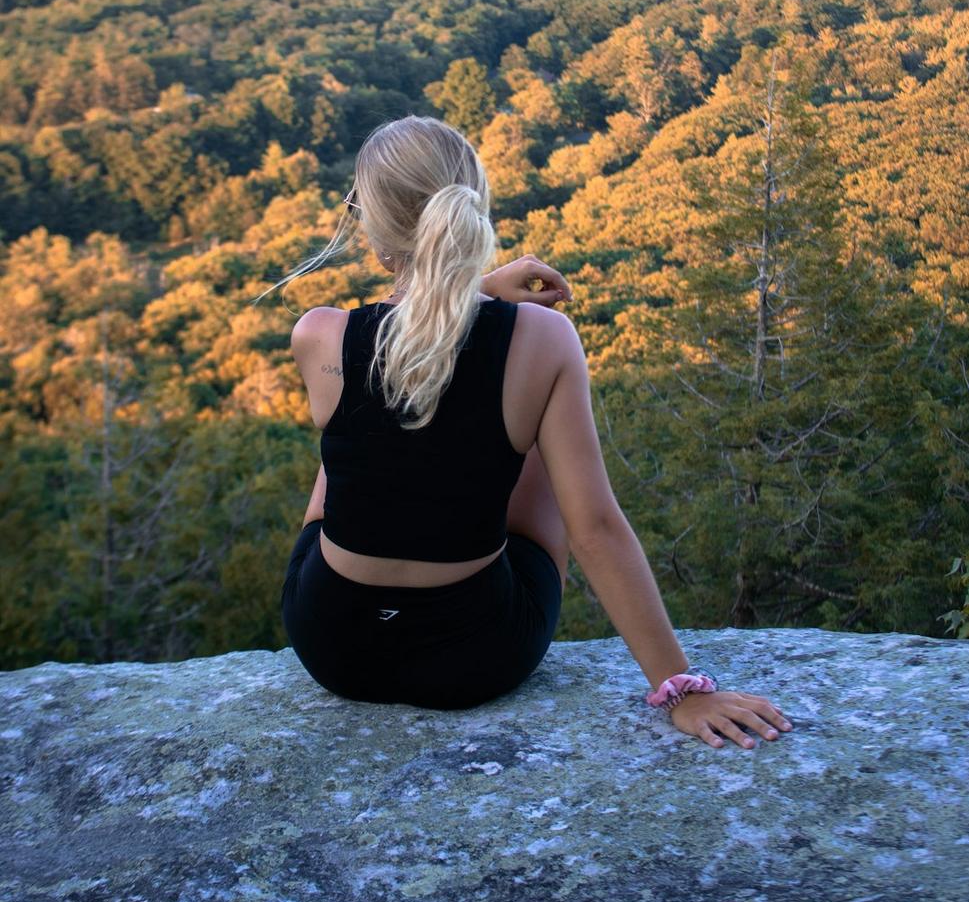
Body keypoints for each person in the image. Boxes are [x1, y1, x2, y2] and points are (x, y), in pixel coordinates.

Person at [277, 115, 792, 750]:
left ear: (374, 231)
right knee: (539, 426)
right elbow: (594, 528)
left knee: (356, 430)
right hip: (476, 655)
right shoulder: (545, 340)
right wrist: (681, 688)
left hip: (334, 645)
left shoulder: (317, 334)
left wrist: (472, 301)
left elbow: (402, 374)